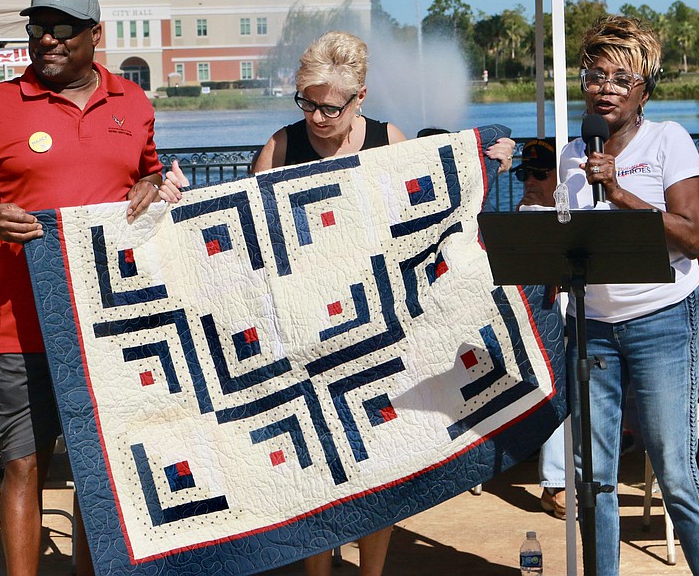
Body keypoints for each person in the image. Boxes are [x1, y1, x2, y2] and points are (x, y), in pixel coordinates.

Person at [178, 31, 512, 576]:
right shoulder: (281, 148)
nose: (315, 116)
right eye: (305, 102)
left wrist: (481, 165)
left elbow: (425, 218)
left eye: (328, 107)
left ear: (360, 98)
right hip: (302, 333)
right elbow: (247, 238)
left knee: (378, 461)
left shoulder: (387, 140)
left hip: (374, 326)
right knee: (317, 465)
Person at [0, 0, 172, 576]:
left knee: (101, 466)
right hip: (21, 320)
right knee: (23, 463)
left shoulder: (134, 104)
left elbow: (152, 172)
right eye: (38, 28)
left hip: (109, 322)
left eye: (62, 29)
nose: (48, 41)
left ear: (94, 35)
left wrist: (152, 181)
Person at [560, 15, 699, 575]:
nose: (604, 89)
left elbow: (691, 234)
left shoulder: (668, 140)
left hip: (662, 319)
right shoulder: (571, 154)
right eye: (594, 77)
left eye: (619, 79)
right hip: (594, 324)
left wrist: (618, 191)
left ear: (644, 90)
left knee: (675, 471)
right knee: (594, 477)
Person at [511, 138, 570, 519]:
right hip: (540, 325)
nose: (529, 180)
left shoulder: (573, 207)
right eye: (524, 173)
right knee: (558, 376)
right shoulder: (530, 213)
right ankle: (556, 483)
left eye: (539, 173)